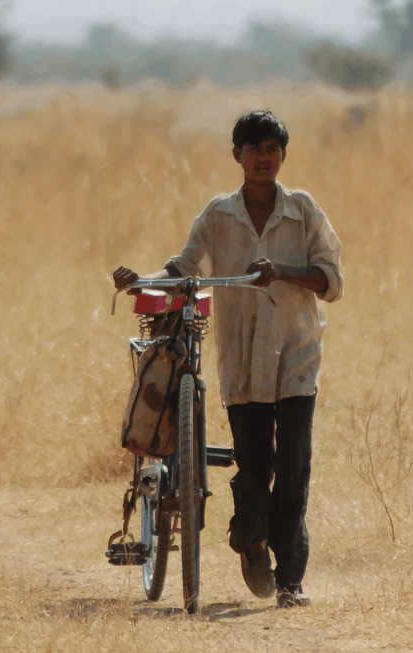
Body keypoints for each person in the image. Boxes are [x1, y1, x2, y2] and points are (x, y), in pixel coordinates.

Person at [113, 110, 344, 608]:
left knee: (294, 464)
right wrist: (142, 280)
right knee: (255, 465)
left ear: (283, 156)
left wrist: (281, 272)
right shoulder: (218, 214)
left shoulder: (304, 210)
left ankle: (291, 581)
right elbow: (184, 265)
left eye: (272, 150)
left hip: (296, 356)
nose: (263, 158)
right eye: (254, 149)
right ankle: (249, 539)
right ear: (236, 154)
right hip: (241, 364)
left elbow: (332, 280)